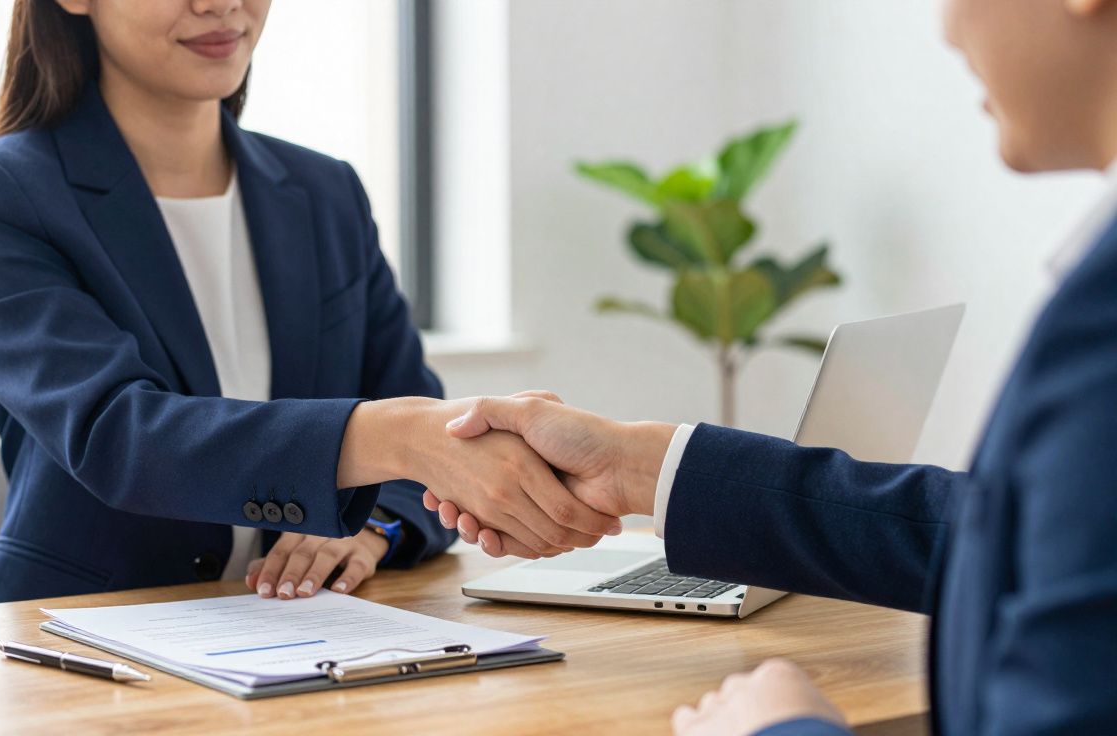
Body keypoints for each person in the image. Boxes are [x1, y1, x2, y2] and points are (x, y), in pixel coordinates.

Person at [423, 0, 1117, 733]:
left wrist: (781, 729)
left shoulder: (1100, 319)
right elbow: (991, 535)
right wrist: (643, 468)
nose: (946, 28)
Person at [0, 0, 620, 607]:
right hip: (81, 638)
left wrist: (372, 529)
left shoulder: (325, 193)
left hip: (304, 638)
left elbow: (420, 438)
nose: (222, 4)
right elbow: (120, 438)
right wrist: (398, 436)